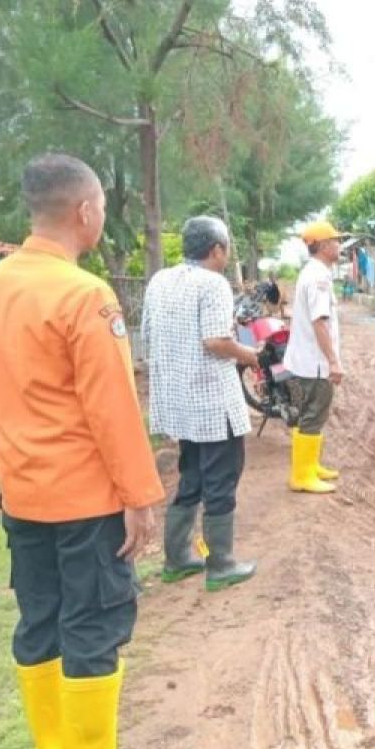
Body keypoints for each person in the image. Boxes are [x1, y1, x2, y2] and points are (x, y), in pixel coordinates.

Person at [0, 153, 164, 749]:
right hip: (83, 498)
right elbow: (111, 409)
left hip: (21, 494)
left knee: (40, 619)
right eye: (102, 206)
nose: (102, 216)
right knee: (93, 622)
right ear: (84, 212)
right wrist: (139, 495)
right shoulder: (84, 294)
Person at [143, 216, 260, 593]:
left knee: (190, 473)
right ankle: (221, 563)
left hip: (179, 402)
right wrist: (251, 355)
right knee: (222, 478)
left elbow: (146, 334)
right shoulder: (213, 284)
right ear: (217, 250)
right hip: (212, 402)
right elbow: (216, 341)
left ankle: (177, 558)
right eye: (226, 248)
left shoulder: (160, 281)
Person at [283, 221, 345, 493]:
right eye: (335, 241)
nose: (339, 245)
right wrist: (333, 360)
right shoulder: (318, 276)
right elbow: (320, 322)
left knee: (305, 414)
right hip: (315, 364)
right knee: (314, 414)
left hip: (303, 361)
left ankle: (308, 465)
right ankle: (302, 475)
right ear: (321, 245)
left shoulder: (312, 272)